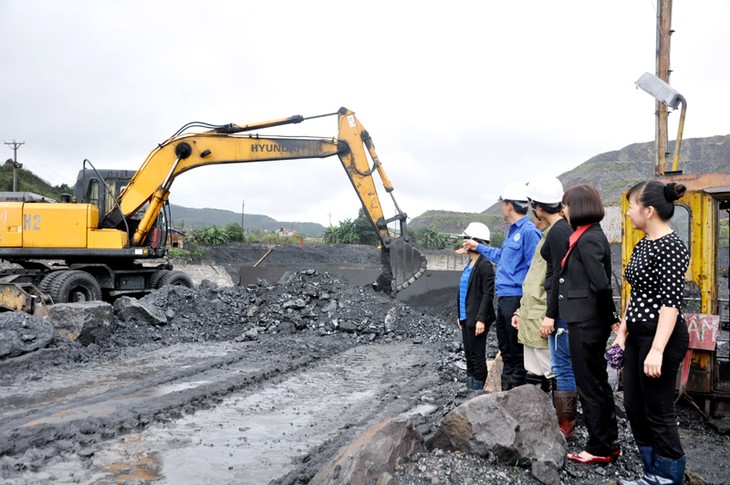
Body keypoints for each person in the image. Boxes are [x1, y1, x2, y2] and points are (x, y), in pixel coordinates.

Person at [614, 181, 690, 485]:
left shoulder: (672, 246)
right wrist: (622, 332)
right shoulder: (644, 242)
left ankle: (669, 477)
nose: (629, 212)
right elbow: (637, 293)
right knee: (633, 405)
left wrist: (657, 350)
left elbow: (670, 305)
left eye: (632, 206)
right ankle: (651, 472)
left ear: (648, 210)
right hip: (637, 335)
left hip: (662, 338)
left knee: (657, 410)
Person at [558, 184, 620, 464]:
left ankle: (599, 448)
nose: (563, 210)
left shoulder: (589, 239)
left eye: (566, 205)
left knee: (590, 385)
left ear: (578, 207)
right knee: (596, 383)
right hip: (585, 320)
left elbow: (602, 286)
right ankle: (608, 442)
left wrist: (611, 319)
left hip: (587, 322)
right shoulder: (585, 236)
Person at [464, 181, 541, 390]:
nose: (501, 207)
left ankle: (517, 395)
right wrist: (478, 246)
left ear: (509, 205)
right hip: (505, 298)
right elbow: (500, 256)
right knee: (506, 349)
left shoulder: (528, 232)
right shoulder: (512, 231)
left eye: (502, 203)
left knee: (516, 352)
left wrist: (523, 306)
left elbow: (535, 269)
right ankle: (507, 394)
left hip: (517, 299)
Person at [527, 175, 579, 440]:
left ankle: (566, 424)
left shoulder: (558, 232)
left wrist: (550, 315)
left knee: (562, 367)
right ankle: (566, 421)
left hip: (560, 313)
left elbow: (560, 275)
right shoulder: (563, 228)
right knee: (562, 366)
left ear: (538, 206)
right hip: (562, 309)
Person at [511, 213, 553, 393]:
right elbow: (532, 281)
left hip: (541, 315)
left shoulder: (555, 237)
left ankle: (562, 419)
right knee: (533, 369)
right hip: (531, 314)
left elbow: (553, 283)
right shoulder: (543, 239)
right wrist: (520, 311)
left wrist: (549, 315)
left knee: (551, 369)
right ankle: (537, 415)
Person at [456, 222, 496, 391]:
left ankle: (478, 393)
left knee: (477, 356)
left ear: (475, 241)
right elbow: (463, 291)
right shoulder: (470, 264)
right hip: (466, 317)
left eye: (466, 239)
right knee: (469, 356)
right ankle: (470, 389)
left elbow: (488, 294)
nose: (464, 242)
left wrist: (481, 319)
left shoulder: (484, 264)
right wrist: (459, 315)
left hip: (477, 319)